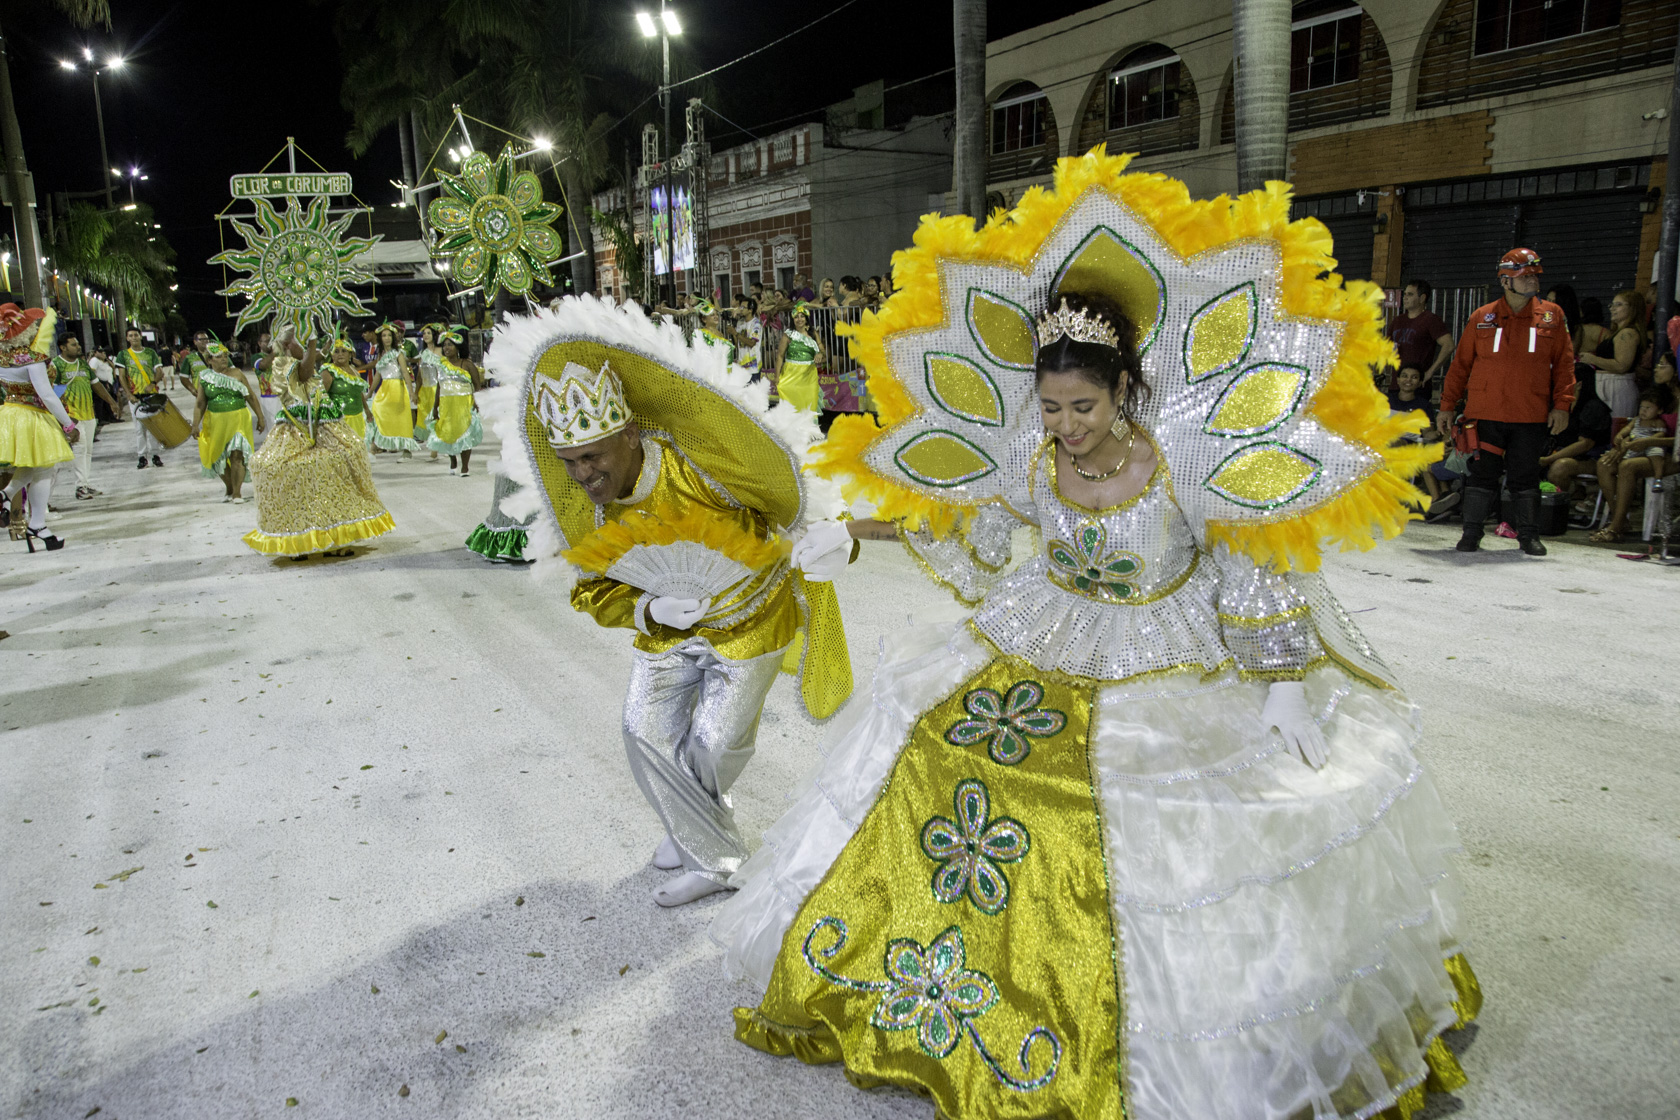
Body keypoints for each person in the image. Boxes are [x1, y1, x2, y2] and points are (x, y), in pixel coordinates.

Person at [714, 149, 1476, 1120]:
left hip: (1172, 653)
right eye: (1051, 407)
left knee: (1164, 815)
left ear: (1124, 392)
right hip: (1047, 631)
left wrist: (1283, 681)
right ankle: (949, 983)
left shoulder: (1183, 464)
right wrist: (856, 532)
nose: (1067, 425)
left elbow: (1253, 564)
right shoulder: (1035, 462)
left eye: (1084, 406)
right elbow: (960, 517)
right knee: (934, 744)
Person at [493, 295, 853, 908]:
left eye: (591, 456)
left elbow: (796, 511)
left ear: (630, 433)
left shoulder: (700, 464)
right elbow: (590, 586)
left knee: (713, 745)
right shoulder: (593, 507)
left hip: (751, 617)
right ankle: (702, 831)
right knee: (644, 732)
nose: (582, 475)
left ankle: (714, 859)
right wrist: (649, 610)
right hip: (667, 627)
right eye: (569, 462)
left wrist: (838, 541)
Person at [1437, 247, 1575, 555]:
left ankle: (1529, 536)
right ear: (1505, 281)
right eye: (1525, 277)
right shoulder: (1482, 317)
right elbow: (1460, 365)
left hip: (1530, 414)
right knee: (1481, 475)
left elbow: (1565, 365)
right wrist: (1447, 406)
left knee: (1525, 476)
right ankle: (1471, 534)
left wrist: (1562, 405)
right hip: (1485, 413)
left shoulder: (1552, 316)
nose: (1533, 281)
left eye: (1535, 276)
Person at [244, 327, 394, 559]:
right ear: (287, 346)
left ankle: (334, 539)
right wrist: (313, 341)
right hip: (297, 432)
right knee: (296, 472)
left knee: (341, 465)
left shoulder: (310, 365)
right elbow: (304, 372)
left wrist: (319, 345)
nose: (303, 348)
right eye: (298, 343)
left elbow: (314, 365)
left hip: (323, 428)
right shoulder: (283, 364)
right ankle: (297, 540)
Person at [0, 305, 76, 551]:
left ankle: (7, 496)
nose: (35, 328)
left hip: (9, 414)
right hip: (32, 416)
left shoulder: (2, 357)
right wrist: (68, 424)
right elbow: (47, 395)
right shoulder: (32, 359)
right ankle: (38, 524)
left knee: (31, 466)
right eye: (30, 325)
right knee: (44, 470)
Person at [1589, 386, 1675, 542]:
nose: (1644, 410)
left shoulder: (1658, 420)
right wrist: (1624, 442)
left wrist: (1648, 442)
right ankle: (1620, 519)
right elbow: (1631, 431)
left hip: (1667, 453)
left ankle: (1615, 526)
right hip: (1638, 447)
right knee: (1604, 463)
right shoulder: (1651, 406)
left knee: (1628, 466)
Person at [188, 340, 265, 502]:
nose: (223, 359)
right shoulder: (205, 377)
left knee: (237, 454)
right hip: (215, 421)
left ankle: (237, 493)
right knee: (218, 456)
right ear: (210, 360)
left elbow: (250, 396)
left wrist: (260, 416)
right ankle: (229, 488)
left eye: (225, 356)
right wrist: (195, 424)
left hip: (238, 419)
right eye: (218, 356)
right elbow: (200, 404)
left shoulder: (237, 373)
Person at [50, 333, 118, 500]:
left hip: (88, 413)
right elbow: (54, 393)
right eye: (73, 344)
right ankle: (80, 487)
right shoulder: (56, 365)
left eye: (77, 343)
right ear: (63, 347)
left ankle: (85, 484)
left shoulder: (83, 364)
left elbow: (96, 385)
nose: (78, 347)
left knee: (88, 451)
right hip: (72, 415)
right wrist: (62, 417)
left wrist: (111, 402)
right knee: (80, 450)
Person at [1575, 289, 1646, 422]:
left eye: (1619, 305)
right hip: (1607, 384)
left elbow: (1621, 366)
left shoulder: (1628, 333)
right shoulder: (1618, 332)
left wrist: (1592, 359)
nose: (1613, 309)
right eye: (1612, 305)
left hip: (1616, 387)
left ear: (1633, 308)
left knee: (1614, 427)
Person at [425, 325, 484, 475]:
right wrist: (435, 407)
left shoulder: (467, 364)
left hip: (464, 404)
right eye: (444, 345)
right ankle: (453, 460)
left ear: (458, 347)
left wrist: (477, 403)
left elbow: (477, 386)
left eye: (450, 345)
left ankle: (465, 466)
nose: (446, 348)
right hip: (446, 405)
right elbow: (439, 387)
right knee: (447, 432)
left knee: (465, 433)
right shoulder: (441, 365)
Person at [1387, 363, 1442, 502]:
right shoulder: (1385, 400)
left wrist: (1438, 433)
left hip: (1408, 443)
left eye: (1414, 377)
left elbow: (1428, 432)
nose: (1408, 380)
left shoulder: (1424, 405)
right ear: (1398, 379)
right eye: (1404, 376)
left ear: (1420, 382)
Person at [115, 327, 166, 468]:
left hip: (151, 395)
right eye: (131, 335)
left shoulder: (150, 352)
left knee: (153, 426)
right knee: (139, 428)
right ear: (127, 338)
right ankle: (142, 456)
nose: (134, 338)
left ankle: (155, 454)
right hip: (135, 396)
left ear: (140, 336)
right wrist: (128, 394)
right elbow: (121, 376)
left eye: (136, 335)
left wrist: (153, 383)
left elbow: (159, 371)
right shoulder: (123, 355)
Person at [1385, 279, 1452, 386]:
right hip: (1396, 384)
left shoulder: (1430, 319)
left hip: (1418, 384)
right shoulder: (1397, 320)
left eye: (1410, 294)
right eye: (1405, 294)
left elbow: (1449, 345)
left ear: (1422, 298)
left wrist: (1430, 372)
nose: (1405, 297)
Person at [367, 322, 417, 454]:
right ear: (380, 338)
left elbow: (405, 372)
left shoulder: (398, 353)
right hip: (384, 388)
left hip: (396, 387)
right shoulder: (381, 354)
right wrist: (370, 392)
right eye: (384, 335)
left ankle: (406, 451)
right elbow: (378, 375)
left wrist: (411, 392)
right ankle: (377, 445)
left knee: (400, 417)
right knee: (377, 410)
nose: (387, 338)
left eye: (389, 335)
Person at [321, 334, 373, 444]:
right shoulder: (329, 371)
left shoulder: (354, 371)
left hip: (358, 417)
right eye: (336, 351)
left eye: (344, 351)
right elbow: (321, 396)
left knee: (358, 448)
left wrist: (367, 410)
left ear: (350, 355)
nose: (340, 354)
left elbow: (359, 392)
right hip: (339, 420)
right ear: (332, 355)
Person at [774, 304, 825, 413]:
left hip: (809, 374)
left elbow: (823, 351)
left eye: (802, 316)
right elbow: (780, 356)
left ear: (806, 318)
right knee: (792, 404)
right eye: (796, 317)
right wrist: (777, 376)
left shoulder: (813, 333)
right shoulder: (788, 334)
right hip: (791, 373)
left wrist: (820, 354)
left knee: (809, 403)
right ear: (793, 319)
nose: (799, 319)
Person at [411, 323, 441, 451]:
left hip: (437, 389)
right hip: (424, 391)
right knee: (425, 418)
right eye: (424, 333)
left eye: (429, 333)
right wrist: (415, 393)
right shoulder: (422, 353)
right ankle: (432, 444)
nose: (426, 335)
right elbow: (419, 376)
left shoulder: (441, 351)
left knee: (437, 416)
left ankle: (440, 444)